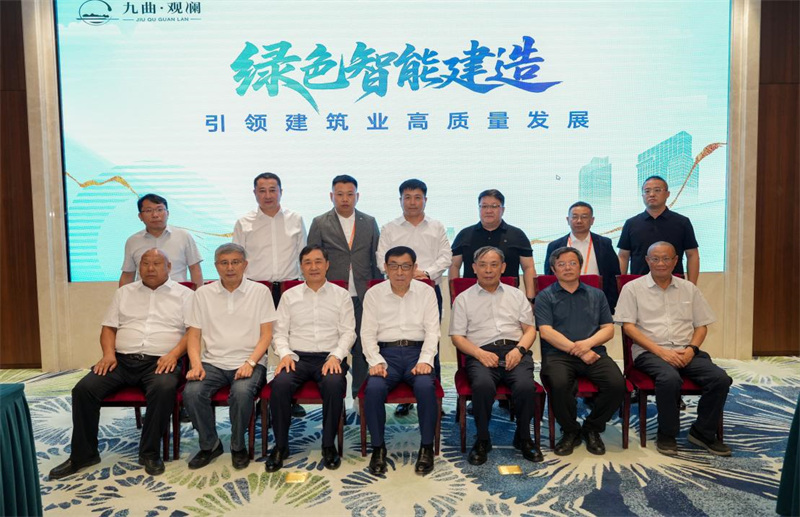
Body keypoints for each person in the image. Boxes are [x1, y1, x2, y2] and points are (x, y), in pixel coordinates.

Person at [50, 249, 193, 479]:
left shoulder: (185, 295)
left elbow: (192, 332)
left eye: (157, 263)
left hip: (160, 362)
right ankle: (84, 454)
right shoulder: (124, 293)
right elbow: (108, 327)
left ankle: (149, 452)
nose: (150, 268)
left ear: (169, 266)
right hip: (121, 360)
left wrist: (174, 355)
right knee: (84, 389)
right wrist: (108, 354)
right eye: (145, 263)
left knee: (164, 387)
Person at [615, 241, 732, 457]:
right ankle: (667, 434)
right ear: (647, 260)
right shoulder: (633, 289)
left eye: (666, 258)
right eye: (655, 259)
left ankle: (703, 432)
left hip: (686, 350)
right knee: (669, 378)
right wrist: (661, 352)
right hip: (649, 352)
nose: (661, 263)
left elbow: (701, 326)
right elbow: (628, 327)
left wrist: (691, 349)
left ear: (676, 260)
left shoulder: (689, 288)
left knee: (720, 379)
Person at [182, 243, 275, 470]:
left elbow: (267, 335)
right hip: (212, 362)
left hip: (250, 361)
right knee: (192, 392)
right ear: (216, 266)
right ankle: (210, 444)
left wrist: (250, 362)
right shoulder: (203, 294)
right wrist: (195, 364)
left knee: (241, 393)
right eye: (224, 263)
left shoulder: (260, 292)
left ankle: (237, 445)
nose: (230, 268)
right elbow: (193, 334)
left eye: (235, 262)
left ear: (245, 265)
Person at [265, 245, 356, 472]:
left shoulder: (341, 295)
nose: (313, 267)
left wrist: (336, 356)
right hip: (297, 357)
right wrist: (285, 354)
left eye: (318, 261)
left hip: (329, 357)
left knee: (334, 384)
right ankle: (281, 446)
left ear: (327, 264)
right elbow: (279, 333)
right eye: (307, 262)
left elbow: (348, 333)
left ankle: (328, 445)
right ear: (301, 267)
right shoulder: (289, 296)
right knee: (280, 385)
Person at [450, 246, 543, 465]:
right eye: (483, 265)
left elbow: (530, 330)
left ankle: (523, 437)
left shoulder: (516, 295)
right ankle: (483, 439)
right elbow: (457, 337)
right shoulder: (463, 299)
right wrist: (479, 353)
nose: (488, 270)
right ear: (474, 268)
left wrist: (519, 350)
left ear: (503, 267)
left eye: (494, 265)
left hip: (515, 350)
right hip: (481, 352)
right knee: (482, 385)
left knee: (525, 386)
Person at [536, 246, 625, 456]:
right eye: (561, 264)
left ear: (580, 266)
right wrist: (580, 351)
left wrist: (586, 346)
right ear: (553, 269)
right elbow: (546, 332)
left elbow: (608, 329)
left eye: (572, 263)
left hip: (594, 352)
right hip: (558, 355)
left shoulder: (597, 294)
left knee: (617, 385)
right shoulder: (545, 296)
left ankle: (592, 427)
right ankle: (570, 431)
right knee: (558, 383)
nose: (567, 268)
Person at [361, 246, 440, 475]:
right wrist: (375, 361)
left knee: (425, 387)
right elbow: (367, 333)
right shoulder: (374, 294)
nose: (399, 272)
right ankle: (378, 448)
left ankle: (426, 447)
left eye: (406, 266)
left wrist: (426, 360)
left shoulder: (426, 292)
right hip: (387, 355)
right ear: (385, 268)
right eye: (394, 266)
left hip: (417, 353)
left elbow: (433, 331)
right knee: (374, 389)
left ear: (415, 268)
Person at [376, 178, 451, 415]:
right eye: (407, 198)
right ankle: (405, 399)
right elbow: (380, 259)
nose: (412, 202)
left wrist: (425, 273)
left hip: (428, 290)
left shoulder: (436, 226)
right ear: (400, 200)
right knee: (402, 338)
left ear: (425, 200)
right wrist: (404, 274)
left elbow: (446, 256)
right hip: (397, 291)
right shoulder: (390, 228)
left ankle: (431, 395)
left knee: (430, 339)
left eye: (417, 197)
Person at [307, 175, 382, 403]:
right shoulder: (320, 222)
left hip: (362, 294)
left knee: (361, 345)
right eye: (339, 194)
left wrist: (377, 291)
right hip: (331, 294)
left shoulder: (369, 222)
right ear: (332, 196)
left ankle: (359, 394)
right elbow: (312, 258)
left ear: (357, 196)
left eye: (350, 194)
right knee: (335, 343)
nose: (345, 199)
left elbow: (375, 260)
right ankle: (334, 393)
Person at [233, 172, 307, 310]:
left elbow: (303, 256)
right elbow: (236, 260)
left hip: (290, 288)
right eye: (262, 191)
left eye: (272, 190)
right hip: (255, 288)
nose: (268, 196)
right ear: (255, 193)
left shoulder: (295, 219)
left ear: (281, 192)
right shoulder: (243, 223)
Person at [450, 189, 536, 302]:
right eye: (484, 206)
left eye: (494, 206)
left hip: (508, 298)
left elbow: (528, 267)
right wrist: (454, 298)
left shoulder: (517, 235)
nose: (489, 210)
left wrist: (531, 299)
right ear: (479, 208)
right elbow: (454, 266)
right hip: (471, 299)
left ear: (503, 210)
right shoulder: (464, 234)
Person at [618, 176, 700, 284]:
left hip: (674, 284)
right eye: (647, 191)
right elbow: (623, 256)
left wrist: (691, 286)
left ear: (667, 194)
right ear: (642, 195)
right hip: (639, 285)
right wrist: (620, 286)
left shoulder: (682, 222)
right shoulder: (631, 223)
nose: (652, 194)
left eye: (657, 190)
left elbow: (692, 255)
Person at [544, 202, 621, 311]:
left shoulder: (604, 244)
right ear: (568, 220)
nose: (579, 221)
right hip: (562, 302)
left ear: (592, 220)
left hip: (597, 301)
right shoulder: (555, 246)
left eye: (584, 217)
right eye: (575, 217)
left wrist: (610, 304)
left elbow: (613, 275)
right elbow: (550, 276)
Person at [119, 194, 203, 287]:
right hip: (144, 293)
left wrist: (198, 294)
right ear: (140, 216)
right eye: (148, 210)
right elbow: (128, 275)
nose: (155, 215)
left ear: (168, 213)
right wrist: (122, 295)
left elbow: (195, 269)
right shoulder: (133, 241)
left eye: (159, 210)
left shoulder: (183, 236)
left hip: (178, 293)